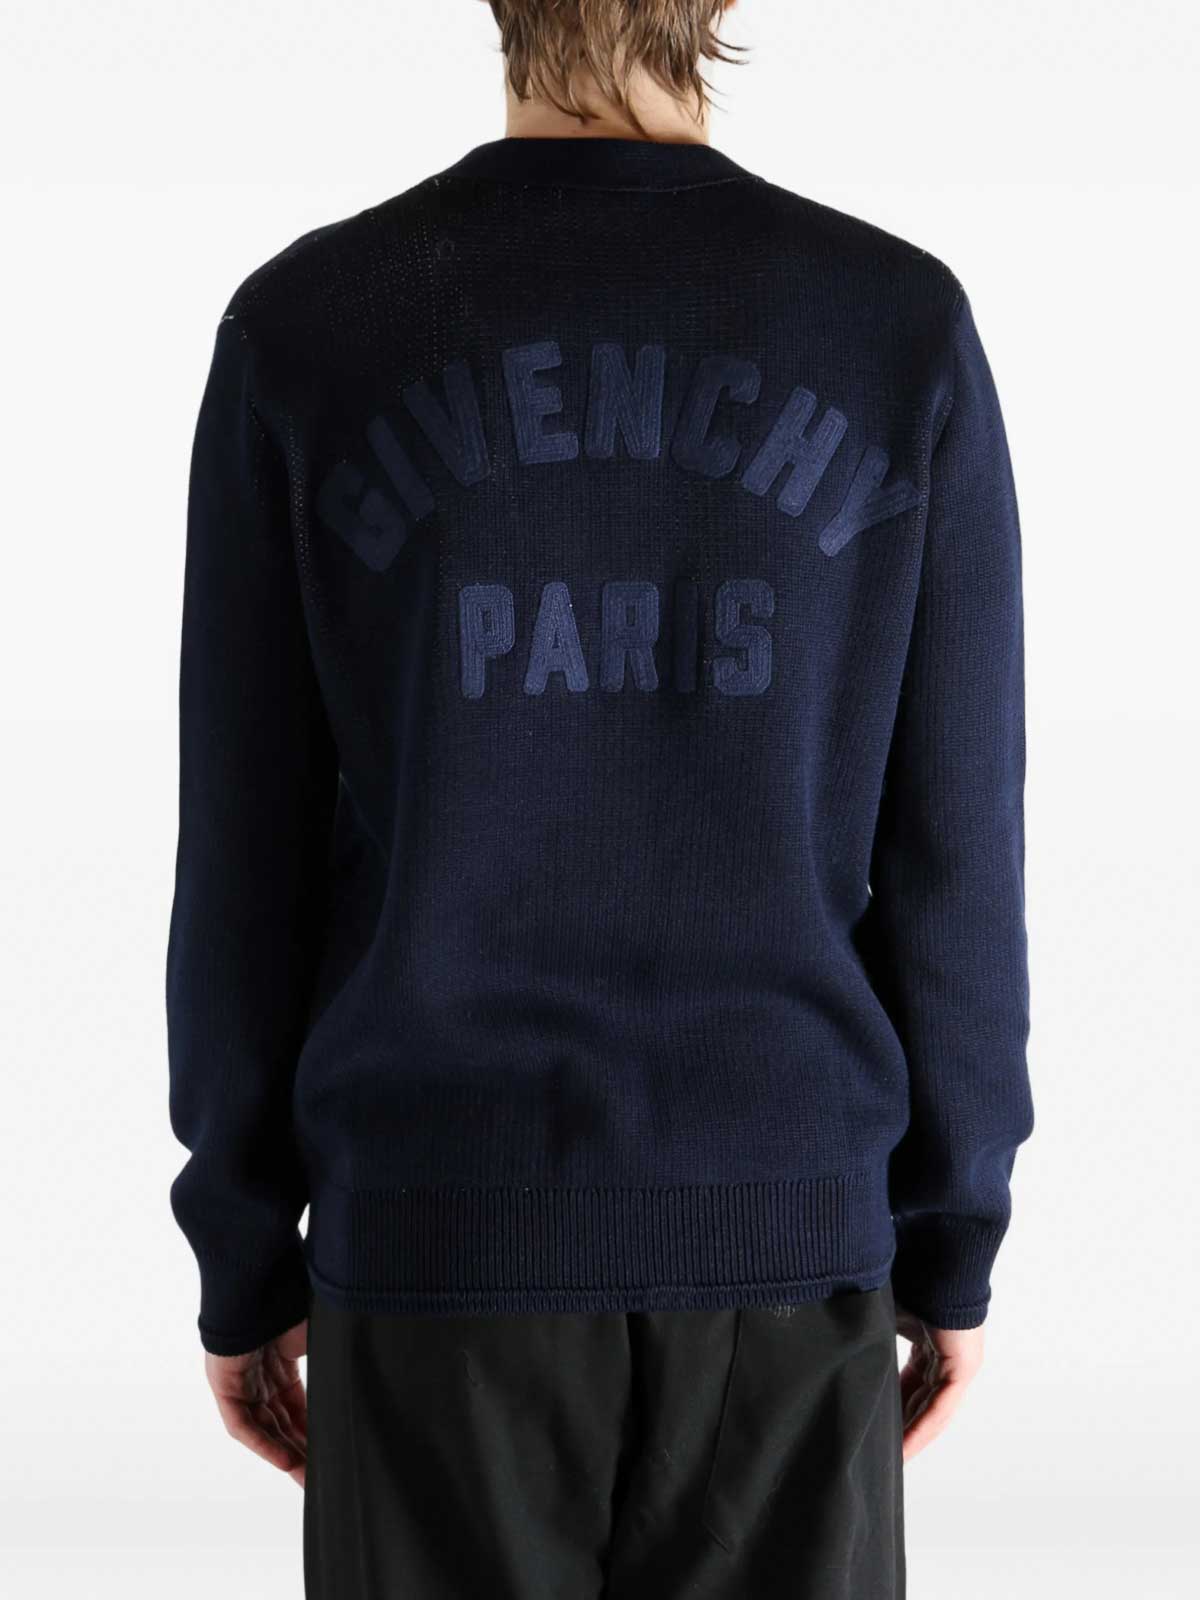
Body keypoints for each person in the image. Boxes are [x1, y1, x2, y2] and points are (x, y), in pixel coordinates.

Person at [166, 2, 1033, 1594]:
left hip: (434, 1241)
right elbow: (957, 844)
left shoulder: (312, 325)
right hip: (785, 1243)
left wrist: (241, 1248)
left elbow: (244, 854)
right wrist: (951, 1236)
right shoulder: (892, 325)